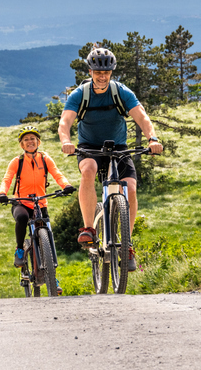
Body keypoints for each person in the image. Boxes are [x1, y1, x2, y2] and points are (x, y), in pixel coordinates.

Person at [58, 45, 163, 272]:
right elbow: (65, 122)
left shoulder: (121, 92)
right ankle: (88, 228)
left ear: (112, 72)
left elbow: (142, 117)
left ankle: (127, 244)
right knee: (87, 171)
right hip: (89, 147)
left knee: (131, 189)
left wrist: (152, 138)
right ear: (90, 72)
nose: (102, 76)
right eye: (98, 72)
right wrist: (66, 141)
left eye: (106, 73)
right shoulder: (80, 94)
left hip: (119, 147)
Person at [0, 126, 75, 269]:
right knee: (21, 218)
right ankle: (19, 249)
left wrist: (66, 185)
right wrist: (2, 193)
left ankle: (52, 274)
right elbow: (7, 179)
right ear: (22, 145)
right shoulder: (17, 161)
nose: (30, 141)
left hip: (40, 203)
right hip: (21, 203)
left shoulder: (45, 159)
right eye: (26, 140)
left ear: (38, 142)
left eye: (32, 138)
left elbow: (57, 174)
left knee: (47, 239)